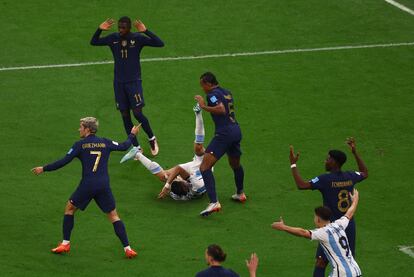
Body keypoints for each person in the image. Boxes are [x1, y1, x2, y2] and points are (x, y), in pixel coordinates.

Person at [31, 117, 139, 258]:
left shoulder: (80, 145)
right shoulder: (105, 142)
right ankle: (128, 249)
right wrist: (132, 134)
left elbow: (64, 161)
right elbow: (124, 146)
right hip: (103, 185)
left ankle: (65, 243)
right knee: (113, 215)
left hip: (88, 185)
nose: (79, 129)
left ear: (88, 129)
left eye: (81, 127)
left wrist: (44, 168)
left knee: (69, 208)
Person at [289, 137, 368, 276]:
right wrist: (355, 153)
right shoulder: (350, 176)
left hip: (331, 228)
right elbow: (364, 173)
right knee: (348, 260)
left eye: (328, 159)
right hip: (348, 225)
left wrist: (293, 165)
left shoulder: (325, 179)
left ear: (334, 162)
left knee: (321, 262)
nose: (325, 161)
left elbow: (301, 185)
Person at [90, 16, 164, 160]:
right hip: (119, 83)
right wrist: (99, 30)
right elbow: (94, 42)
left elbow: (160, 43)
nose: (121, 30)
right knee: (125, 115)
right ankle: (136, 147)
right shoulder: (113, 38)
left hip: (133, 82)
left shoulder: (138, 38)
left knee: (137, 113)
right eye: (119, 27)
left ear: (129, 28)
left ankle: (152, 138)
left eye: (123, 28)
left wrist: (146, 31)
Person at [272, 189, 362, 277]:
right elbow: (349, 213)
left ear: (318, 219)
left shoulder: (323, 233)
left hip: (342, 274)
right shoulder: (339, 224)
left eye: (315, 217)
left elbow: (303, 232)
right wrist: (355, 200)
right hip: (356, 270)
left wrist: (283, 227)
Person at [194, 72, 246, 217]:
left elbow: (221, 109)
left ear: (208, 84)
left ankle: (214, 202)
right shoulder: (227, 92)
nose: (202, 88)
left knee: (204, 167)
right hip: (236, 130)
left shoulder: (211, 95)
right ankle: (240, 193)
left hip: (224, 134)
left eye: (202, 85)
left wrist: (203, 106)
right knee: (235, 164)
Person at [133, 104, 206, 200]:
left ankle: (137, 154)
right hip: (205, 164)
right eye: (179, 179)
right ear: (185, 183)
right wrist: (167, 185)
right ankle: (198, 113)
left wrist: (169, 181)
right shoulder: (197, 186)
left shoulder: (181, 194)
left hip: (192, 171)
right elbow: (178, 169)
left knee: (164, 176)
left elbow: (176, 175)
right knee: (198, 147)